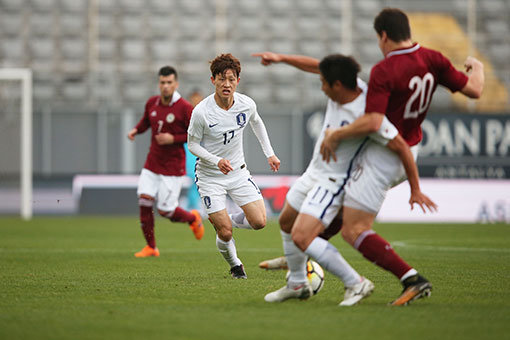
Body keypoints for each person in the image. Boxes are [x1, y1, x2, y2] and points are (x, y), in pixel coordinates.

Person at [319, 8, 484, 306]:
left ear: (383, 36)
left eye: (378, 39)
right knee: (340, 202)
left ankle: (411, 279)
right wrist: (476, 65)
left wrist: (336, 134)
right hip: (409, 147)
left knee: (354, 229)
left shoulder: (385, 70)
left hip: (385, 155)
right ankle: (308, 249)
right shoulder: (433, 59)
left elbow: (372, 122)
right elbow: (474, 90)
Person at [253, 52, 435, 306]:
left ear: (336, 85)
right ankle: (297, 283)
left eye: (324, 83)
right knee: (286, 222)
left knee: (303, 237)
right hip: (313, 171)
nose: (321, 86)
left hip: (334, 181)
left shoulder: (369, 113)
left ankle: (355, 283)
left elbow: (402, 147)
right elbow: (317, 65)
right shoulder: (347, 84)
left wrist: (415, 189)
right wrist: (281, 58)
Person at [187, 53, 281, 279]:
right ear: (213, 81)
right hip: (210, 177)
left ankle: (224, 216)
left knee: (259, 222)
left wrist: (270, 154)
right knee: (225, 232)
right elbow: (192, 144)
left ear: (238, 80)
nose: (226, 84)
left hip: (238, 173)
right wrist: (215, 161)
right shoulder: (201, 111)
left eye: (231, 79)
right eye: (221, 79)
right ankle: (236, 265)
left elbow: (257, 123)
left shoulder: (246, 104)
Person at [127, 66, 205, 258]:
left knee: (165, 210)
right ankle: (151, 247)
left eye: (169, 82)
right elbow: (146, 121)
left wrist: (173, 138)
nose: (165, 86)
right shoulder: (152, 103)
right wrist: (136, 130)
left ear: (176, 84)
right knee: (144, 200)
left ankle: (192, 218)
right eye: (162, 82)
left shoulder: (185, 108)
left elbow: (194, 135)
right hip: (153, 162)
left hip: (172, 167)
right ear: (159, 83)